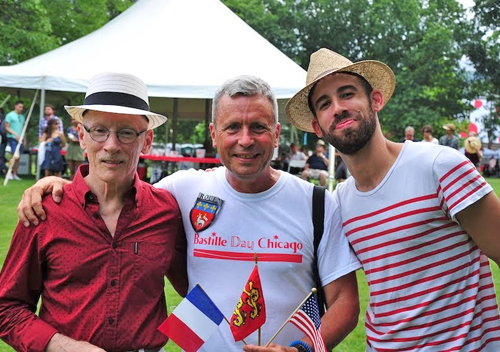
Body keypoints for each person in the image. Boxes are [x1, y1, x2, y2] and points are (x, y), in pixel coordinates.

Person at [17, 75, 361, 352]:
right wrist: (55, 184)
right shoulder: (181, 191)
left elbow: (345, 302)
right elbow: (113, 183)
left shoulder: (317, 202)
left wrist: (302, 350)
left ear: (275, 134)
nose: (245, 140)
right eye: (232, 128)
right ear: (213, 135)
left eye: (258, 127)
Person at [286, 48, 500, 351]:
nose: (338, 107)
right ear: (318, 127)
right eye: (325, 103)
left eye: (347, 94)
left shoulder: (438, 166)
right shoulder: (340, 204)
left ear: (376, 100)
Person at [0, 72, 188, 352]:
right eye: (99, 130)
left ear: (146, 141)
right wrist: (61, 346)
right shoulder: (44, 211)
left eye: (126, 132)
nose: (111, 145)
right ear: (81, 136)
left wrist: (189, 341)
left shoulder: (167, 212)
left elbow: (199, 288)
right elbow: (7, 308)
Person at [4, 100, 25, 180]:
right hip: (12, 138)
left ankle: (15, 173)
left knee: (18, 157)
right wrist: (15, 134)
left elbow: (23, 128)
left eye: (22, 107)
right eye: (20, 107)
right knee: (15, 155)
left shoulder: (22, 117)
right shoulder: (10, 115)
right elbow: (7, 127)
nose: (21, 108)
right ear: (15, 106)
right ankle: (8, 172)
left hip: (20, 139)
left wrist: (24, 139)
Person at [0, 107, 7, 176]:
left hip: (2, 138)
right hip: (3, 138)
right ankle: (3, 168)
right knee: (1, 155)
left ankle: (3, 168)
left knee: (1, 155)